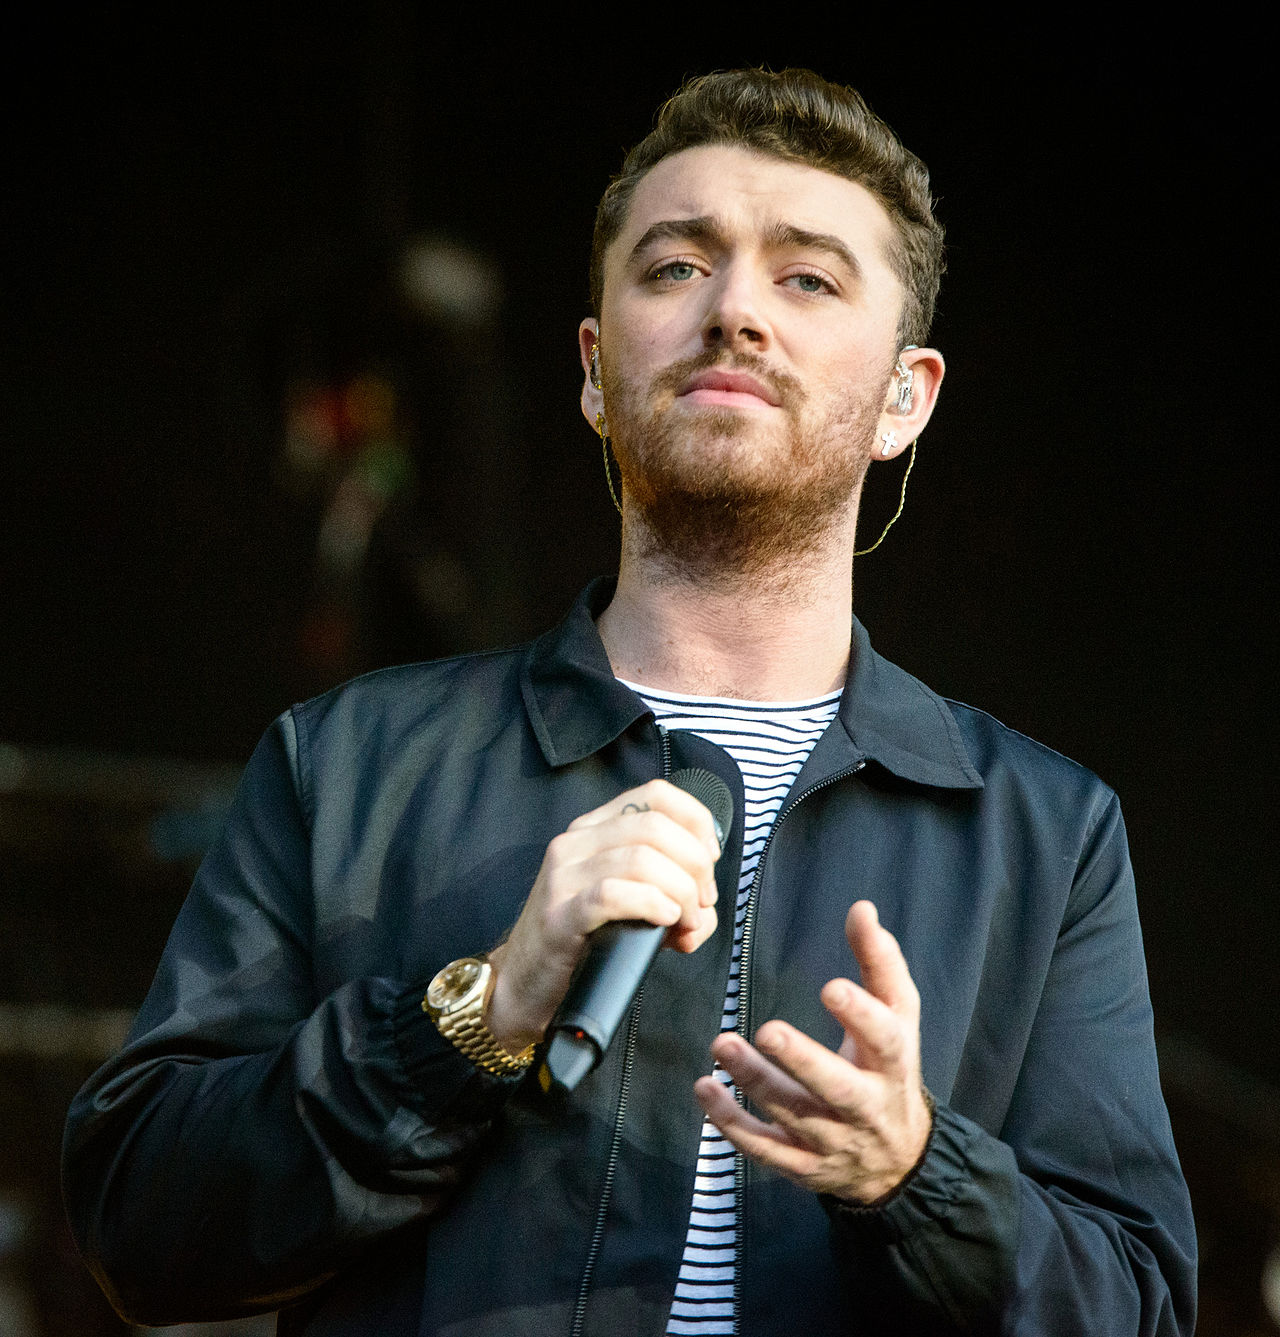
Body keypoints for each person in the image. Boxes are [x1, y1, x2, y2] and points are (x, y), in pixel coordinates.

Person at [62, 68, 1196, 1335]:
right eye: (674, 267)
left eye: (806, 279)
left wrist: (914, 1171)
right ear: (596, 371)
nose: (734, 311)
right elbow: (137, 1219)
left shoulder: (1043, 832)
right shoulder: (349, 765)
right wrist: (471, 1018)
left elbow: (1136, 1301)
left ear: (903, 398)